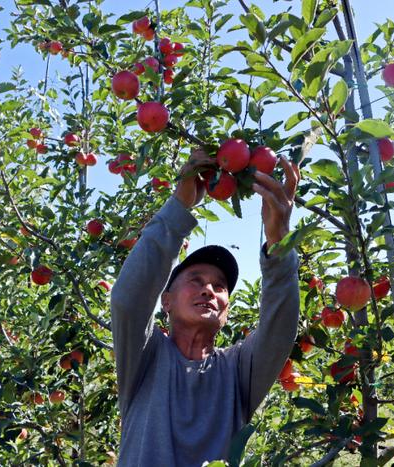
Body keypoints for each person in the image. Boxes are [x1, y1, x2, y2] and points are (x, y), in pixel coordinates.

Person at [110, 148, 301, 466]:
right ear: (166, 301)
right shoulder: (145, 357)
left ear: (226, 312)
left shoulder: (238, 371)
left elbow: (280, 330)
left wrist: (280, 243)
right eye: (195, 280)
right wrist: (179, 208)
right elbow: (128, 300)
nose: (209, 290)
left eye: (220, 286)